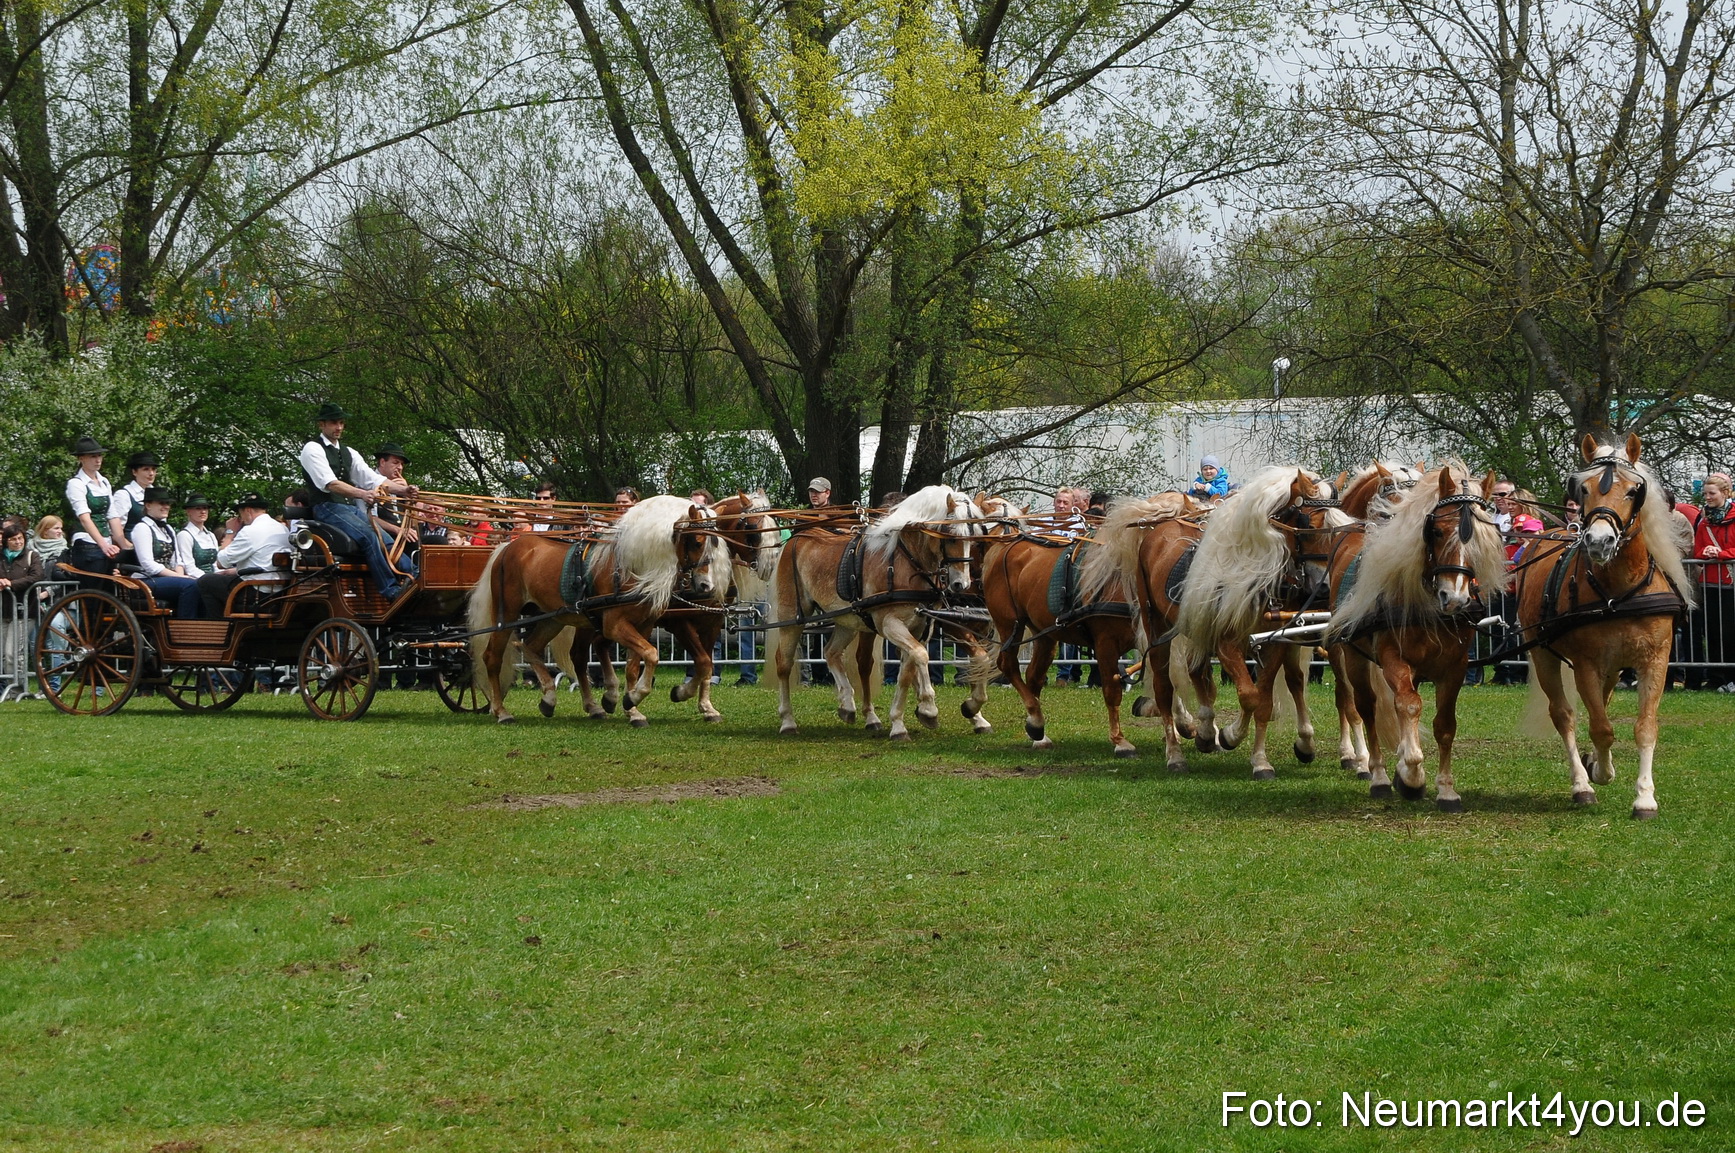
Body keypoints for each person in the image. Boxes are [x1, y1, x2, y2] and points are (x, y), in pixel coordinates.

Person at [298, 402, 417, 598]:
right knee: (369, 537)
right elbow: (330, 484)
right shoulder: (312, 448)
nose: (339, 427)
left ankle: (415, 575)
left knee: (386, 540)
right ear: (321, 424)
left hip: (347, 509)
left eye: (342, 423)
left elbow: (372, 479)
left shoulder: (348, 452)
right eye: (334, 423)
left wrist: (404, 490)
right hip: (326, 507)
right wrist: (362, 494)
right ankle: (391, 590)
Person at [199, 493, 291, 618]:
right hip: (280, 592)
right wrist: (235, 571)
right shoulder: (282, 529)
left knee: (206, 581)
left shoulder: (250, 531)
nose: (240, 519)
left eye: (240, 514)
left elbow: (221, 563)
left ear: (247, 510)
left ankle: (219, 627)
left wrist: (230, 532)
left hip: (257, 594)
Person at [1690, 472, 1735, 691]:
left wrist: (1722, 553)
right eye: (1705, 493)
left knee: (1730, 631)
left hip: (1731, 582)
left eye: (1711, 493)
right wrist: (1705, 552)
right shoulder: (1703, 521)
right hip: (1709, 582)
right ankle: (1717, 677)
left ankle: (1732, 676)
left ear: (1725, 493)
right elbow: (1697, 549)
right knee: (1713, 632)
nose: (1707, 498)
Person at [129, 487, 202, 618]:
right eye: (161, 503)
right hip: (145, 580)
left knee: (201, 584)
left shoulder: (168, 529)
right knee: (190, 585)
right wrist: (179, 578)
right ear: (148, 505)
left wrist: (179, 574)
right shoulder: (142, 528)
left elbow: (177, 560)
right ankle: (184, 629)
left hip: (166, 578)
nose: (166, 507)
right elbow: (148, 564)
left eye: (167, 503)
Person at [64, 437, 120, 575]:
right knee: (94, 592)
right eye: (93, 456)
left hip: (106, 542)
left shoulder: (104, 482)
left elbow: (112, 515)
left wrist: (122, 542)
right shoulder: (76, 483)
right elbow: (84, 518)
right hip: (86, 543)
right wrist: (103, 545)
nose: (98, 460)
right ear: (81, 459)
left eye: (99, 455)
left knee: (111, 591)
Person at [107, 451, 161, 562]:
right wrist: (130, 548)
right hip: (133, 554)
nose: (151, 473)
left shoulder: (158, 496)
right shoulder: (124, 494)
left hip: (156, 552)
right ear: (134, 472)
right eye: (146, 469)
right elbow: (116, 531)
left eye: (153, 470)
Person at [174, 494, 225, 577]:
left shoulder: (211, 535)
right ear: (188, 511)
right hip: (196, 580)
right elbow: (189, 568)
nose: (203, 512)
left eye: (205, 508)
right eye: (198, 508)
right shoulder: (184, 535)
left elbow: (215, 565)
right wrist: (210, 579)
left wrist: (220, 576)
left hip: (213, 578)